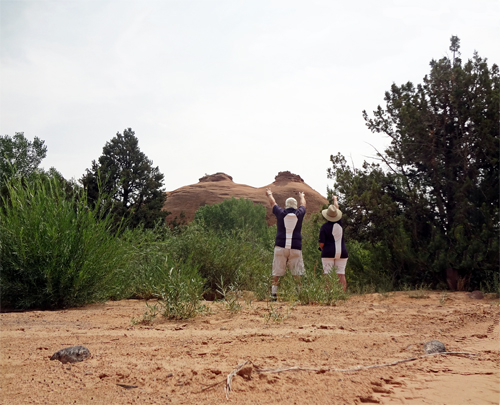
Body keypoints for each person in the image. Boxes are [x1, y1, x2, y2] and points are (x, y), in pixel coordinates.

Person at [266, 187, 306, 301]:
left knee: (277, 272)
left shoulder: (280, 213)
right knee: (297, 272)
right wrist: (302, 196)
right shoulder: (300, 213)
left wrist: (269, 193)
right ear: (295, 206)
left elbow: (273, 203)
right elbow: (303, 205)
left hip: (280, 246)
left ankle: (273, 295)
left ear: (286, 205)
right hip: (295, 247)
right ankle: (300, 294)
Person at [318, 195, 348, 291]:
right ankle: (341, 295)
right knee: (341, 274)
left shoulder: (324, 227)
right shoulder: (339, 223)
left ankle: (329, 295)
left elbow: (321, 243)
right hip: (342, 252)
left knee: (327, 274)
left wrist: (323, 249)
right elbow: (337, 208)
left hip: (328, 252)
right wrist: (335, 199)